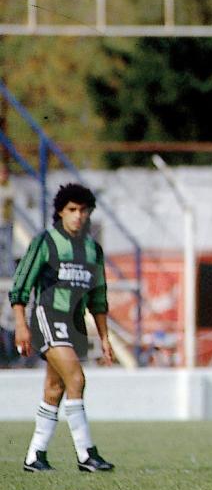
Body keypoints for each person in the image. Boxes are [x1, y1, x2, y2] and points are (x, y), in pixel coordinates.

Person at [11, 182, 115, 473]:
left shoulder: (93, 250)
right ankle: (86, 453)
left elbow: (98, 298)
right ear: (60, 212)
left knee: (55, 387)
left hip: (76, 324)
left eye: (83, 210)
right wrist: (21, 325)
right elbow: (21, 284)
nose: (78, 216)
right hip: (48, 317)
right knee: (76, 379)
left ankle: (35, 455)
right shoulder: (46, 242)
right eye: (72, 210)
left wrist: (105, 338)